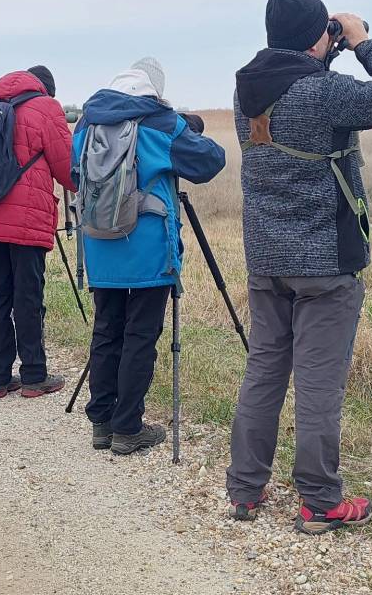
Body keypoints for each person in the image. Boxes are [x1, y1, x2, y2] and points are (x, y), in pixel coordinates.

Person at [225, 0, 372, 534]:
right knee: (318, 383)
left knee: (264, 370)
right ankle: (319, 501)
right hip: (325, 262)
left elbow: (295, 80)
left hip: (267, 258)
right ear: (317, 37)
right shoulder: (323, 92)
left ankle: (245, 488)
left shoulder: (246, 88)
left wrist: (325, 48)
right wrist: (362, 42)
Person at [73, 58, 225, 455]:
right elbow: (211, 161)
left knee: (106, 330)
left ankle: (101, 424)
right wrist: (185, 128)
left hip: (100, 244)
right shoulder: (160, 122)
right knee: (140, 335)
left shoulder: (87, 122)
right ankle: (128, 428)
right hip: (148, 250)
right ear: (154, 90)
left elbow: (76, 174)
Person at [0, 69, 76, 398]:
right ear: (46, 88)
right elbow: (67, 168)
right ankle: (34, 375)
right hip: (26, 218)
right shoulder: (46, 107)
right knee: (27, 296)